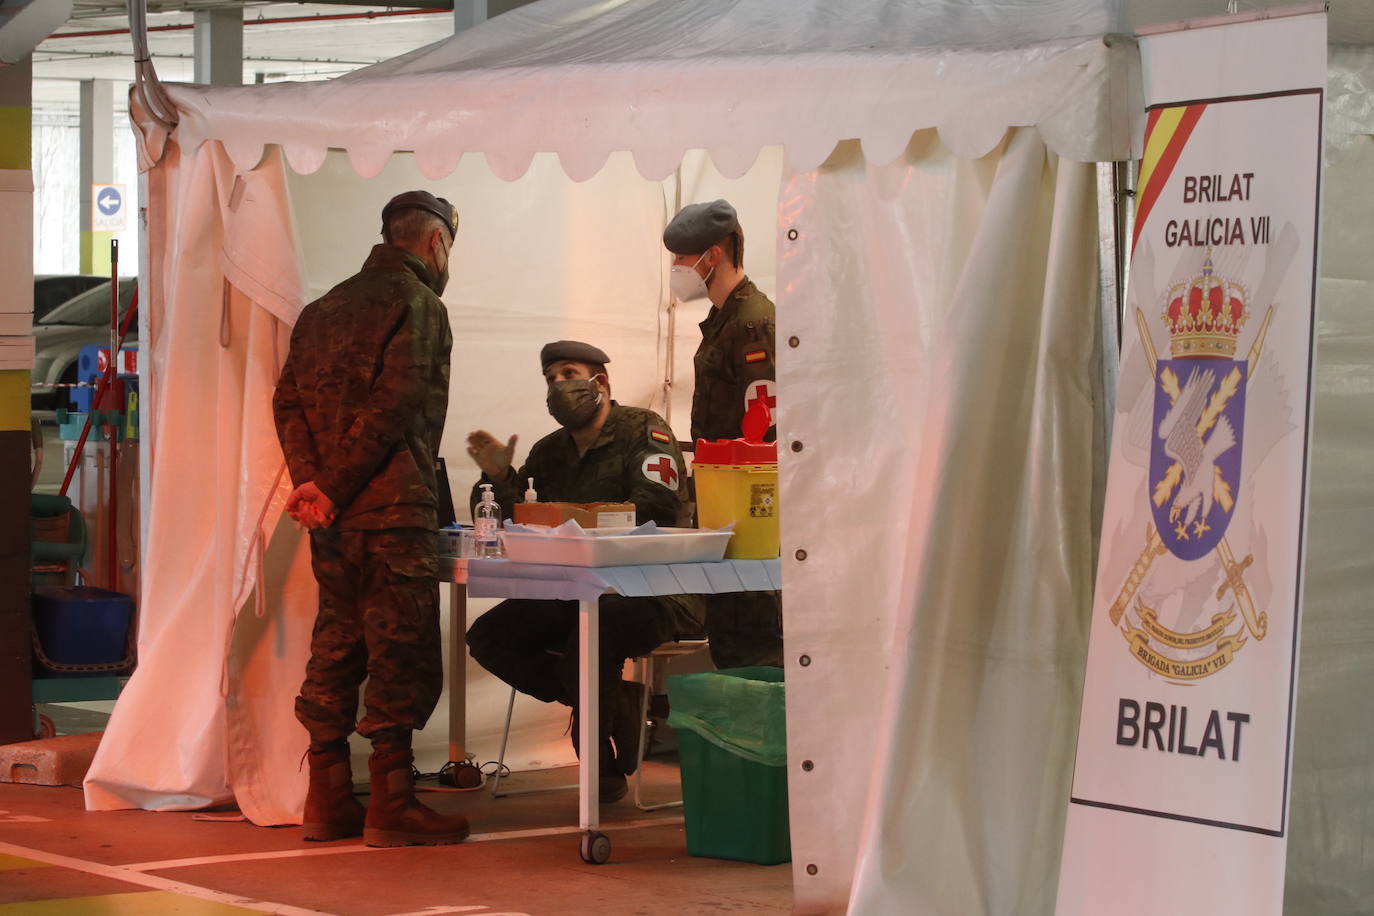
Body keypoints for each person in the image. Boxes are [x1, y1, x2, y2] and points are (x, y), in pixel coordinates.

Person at [272, 190, 469, 847]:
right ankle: (392, 802)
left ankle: (326, 800)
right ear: (436, 244)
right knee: (400, 647)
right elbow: (396, 404)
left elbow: (287, 401)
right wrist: (331, 484)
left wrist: (313, 486)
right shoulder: (419, 304)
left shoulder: (321, 310)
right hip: (390, 508)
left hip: (333, 519)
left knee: (337, 640)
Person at [465, 340, 702, 802]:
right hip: (574, 590)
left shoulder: (644, 430)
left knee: (591, 636)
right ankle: (608, 699)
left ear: (601, 381)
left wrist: (573, 519)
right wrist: (499, 478)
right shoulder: (549, 451)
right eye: (550, 379)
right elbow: (516, 520)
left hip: (650, 590)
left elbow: (658, 506)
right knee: (489, 637)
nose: (559, 386)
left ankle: (597, 760)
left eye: (568, 374)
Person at [663, 199, 784, 669]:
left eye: (680, 259)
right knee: (732, 645)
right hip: (728, 508)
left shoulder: (754, 322)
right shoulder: (723, 322)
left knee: (758, 652)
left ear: (711, 256)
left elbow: (768, 425)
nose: (676, 269)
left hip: (755, 511)